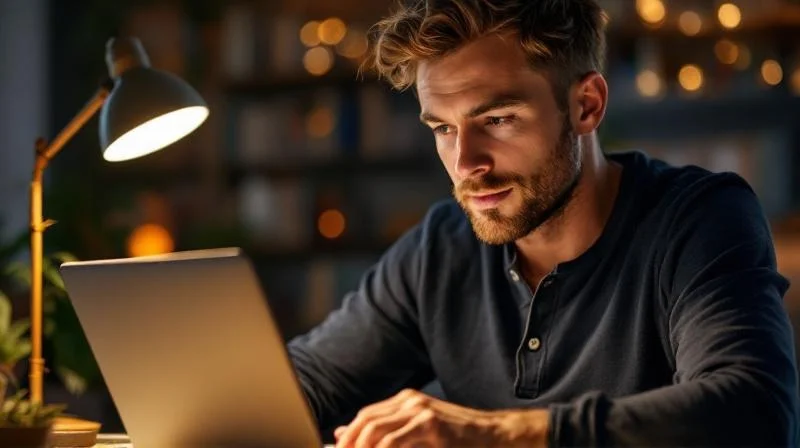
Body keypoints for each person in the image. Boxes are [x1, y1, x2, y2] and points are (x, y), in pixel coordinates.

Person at [287, 0, 800, 446]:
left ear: (586, 106)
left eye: (497, 120)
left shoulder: (698, 219)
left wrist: (494, 435)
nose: (466, 164)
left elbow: (753, 414)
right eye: (444, 128)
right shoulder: (440, 249)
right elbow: (305, 386)